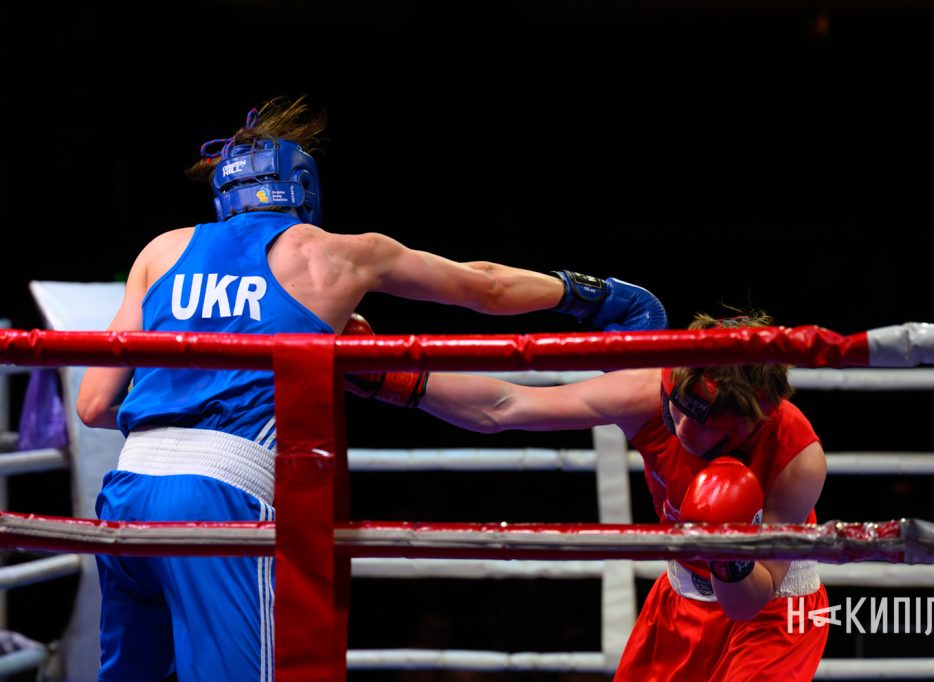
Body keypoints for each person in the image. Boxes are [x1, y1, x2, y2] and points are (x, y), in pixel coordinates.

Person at [74, 94, 667, 682]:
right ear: (303, 187)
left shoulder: (161, 251)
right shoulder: (339, 256)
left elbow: (94, 404)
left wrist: (185, 398)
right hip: (220, 495)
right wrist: (589, 294)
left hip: (125, 494)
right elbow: (484, 288)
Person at [350, 310, 829, 681]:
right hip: (681, 599)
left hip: (773, 612)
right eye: (678, 407)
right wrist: (396, 380)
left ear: (750, 421)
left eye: (701, 422)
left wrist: (728, 551)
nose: (680, 426)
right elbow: (508, 405)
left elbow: (747, 604)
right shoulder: (649, 396)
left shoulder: (796, 459)